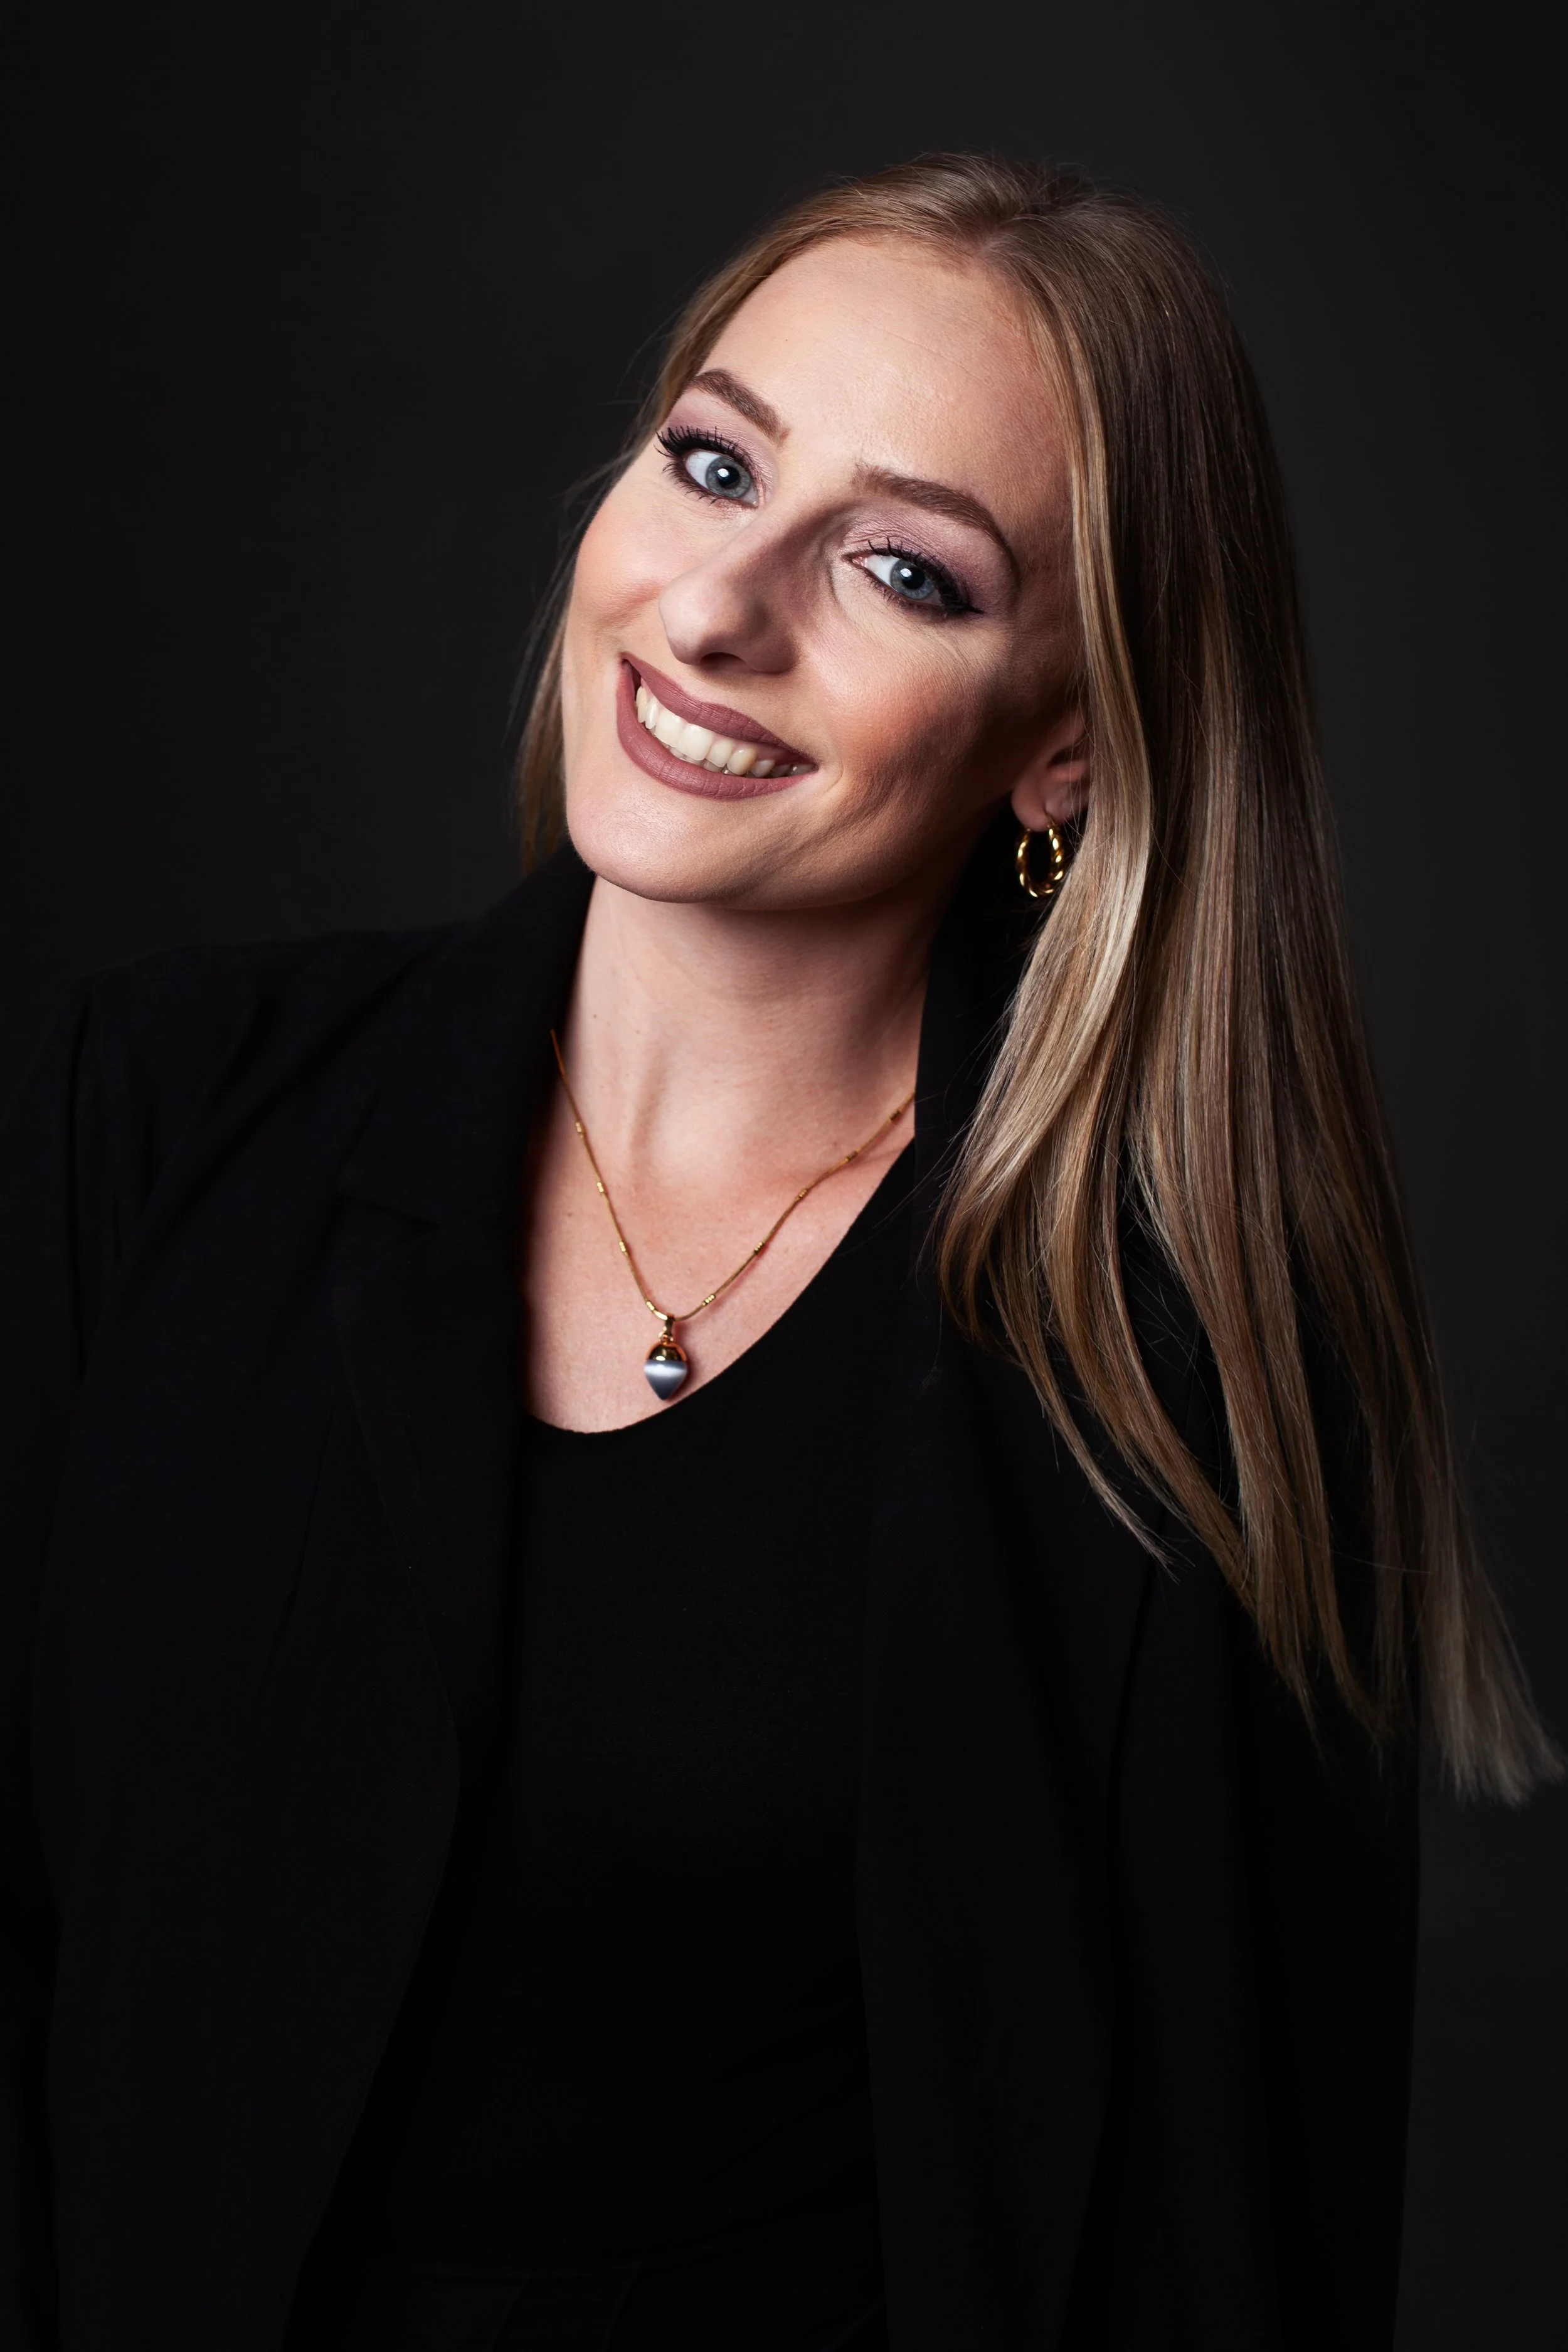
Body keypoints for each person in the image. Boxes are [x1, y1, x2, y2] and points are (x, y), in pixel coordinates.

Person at [1, 153, 1557, 2352]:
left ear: (1069, 747)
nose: (716, 607)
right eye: (710, 461)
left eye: (903, 571)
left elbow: (1228, 2248)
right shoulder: (154, 1110)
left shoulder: (1179, 1371)